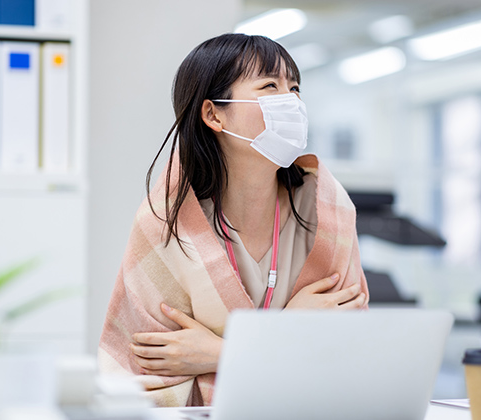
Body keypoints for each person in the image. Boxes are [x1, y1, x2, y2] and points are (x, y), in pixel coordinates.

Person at [98, 33, 369, 407]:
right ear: (213, 114)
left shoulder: (327, 208)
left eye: (295, 87)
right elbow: (148, 371)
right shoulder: (165, 222)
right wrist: (293, 336)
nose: (290, 100)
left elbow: (349, 355)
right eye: (270, 85)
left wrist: (220, 354)